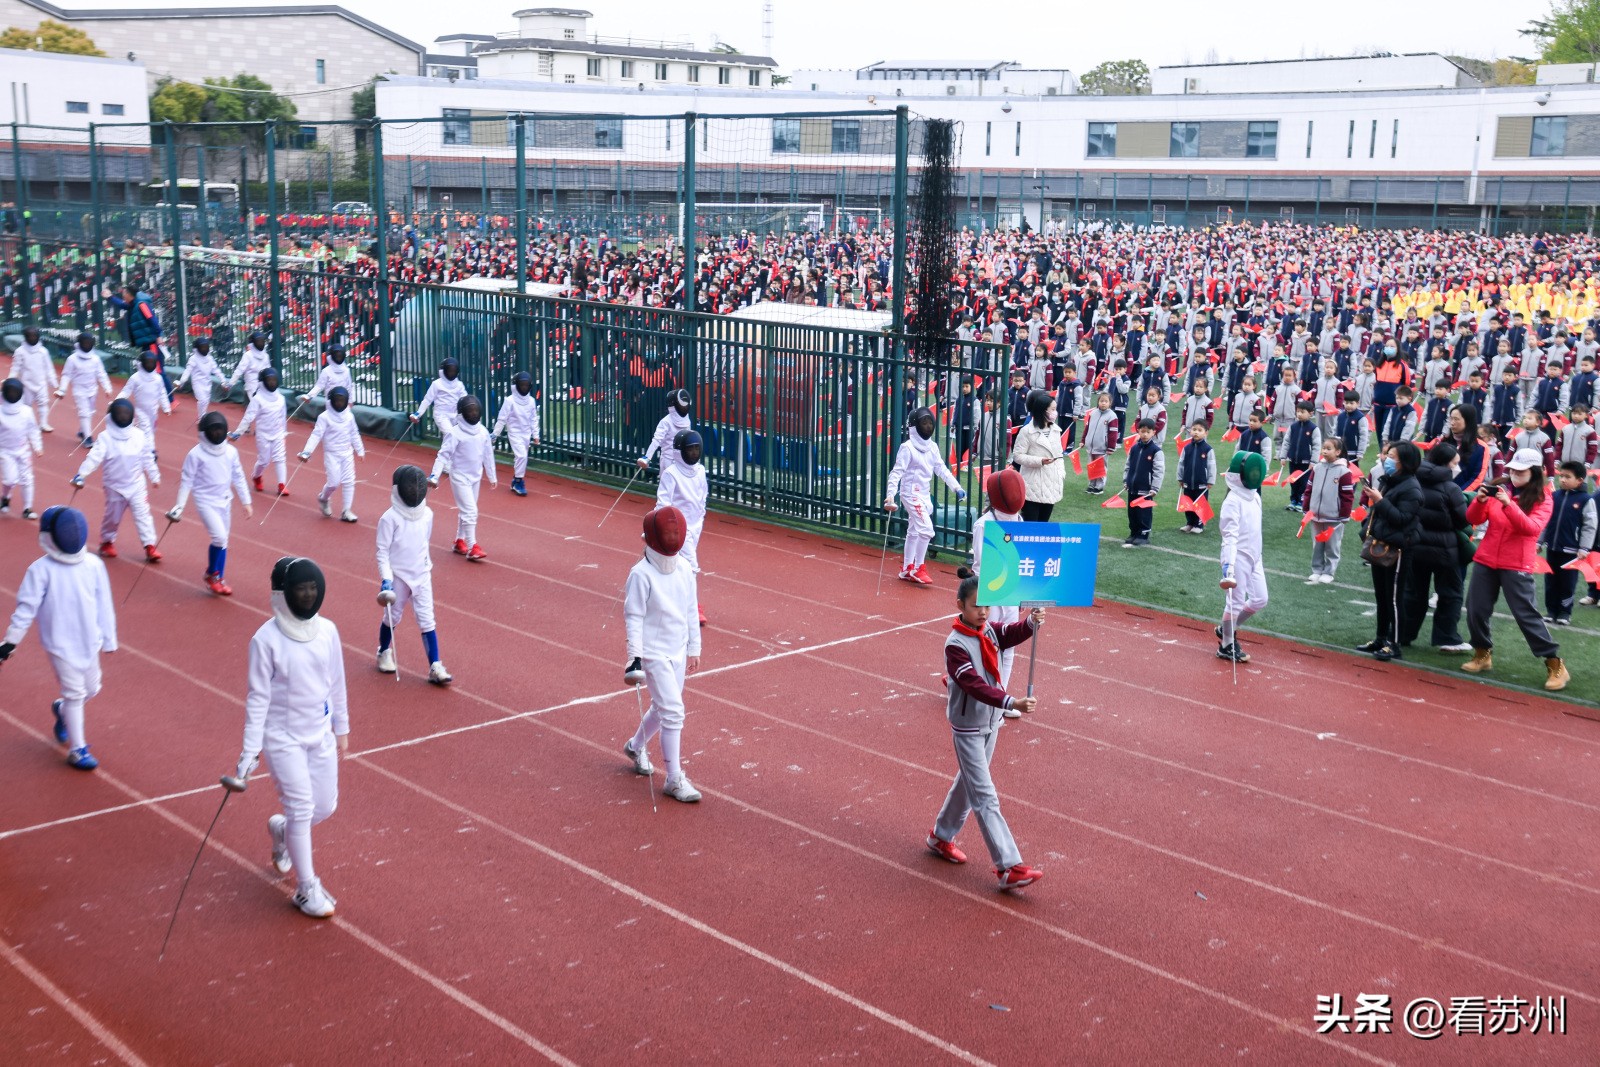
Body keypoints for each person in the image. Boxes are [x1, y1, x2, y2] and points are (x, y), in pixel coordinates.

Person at [234, 557, 349, 918]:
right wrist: (250, 751)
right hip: (282, 738)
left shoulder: (327, 631)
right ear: (284, 594)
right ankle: (306, 888)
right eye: (301, 589)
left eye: (313, 588)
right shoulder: (265, 641)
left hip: (319, 734)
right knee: (301, 807)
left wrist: (341, 727)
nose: (308, 594)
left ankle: (282, 830)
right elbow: (257, 698)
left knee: (324, 807)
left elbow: (336, 682)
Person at [927, 567, 1045, 892]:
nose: (982, 611)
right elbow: (974, 685)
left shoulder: (987, 630)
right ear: (959, 605)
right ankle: (1009, 867)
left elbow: (1007, 634)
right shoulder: (955, 645)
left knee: (968, 786)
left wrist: (1031, 623)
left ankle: (940, 836)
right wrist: (1011, 703)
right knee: (985, 796)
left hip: (990, 724)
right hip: (968, 728)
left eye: (987, 606)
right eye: (976, 605)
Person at [0, 506, 116, 770]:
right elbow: (25, 609)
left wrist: (109, 639)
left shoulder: (93, 564)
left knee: (91, 689)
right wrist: (10, 642)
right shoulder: (40, 570)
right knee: (76, 693)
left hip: (89, 640)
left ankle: (61, 710)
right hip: (59, 644)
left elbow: (104, 603)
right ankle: (78, 750)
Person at [1462, 449, 1568, 689]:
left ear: (1535, 472)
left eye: (1520, 471)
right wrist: (1479, 502)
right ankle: (1482, 653)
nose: (1514, 474)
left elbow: (1531, 528)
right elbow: (1474, 519)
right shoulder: (1499, 488)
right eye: (1512, 469)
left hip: (1516, 563)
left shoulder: (1544, 497)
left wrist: (1509, 505)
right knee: (1476, 609)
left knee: (1526, 615)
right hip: (1487, 558)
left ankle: (1555, 663)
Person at [622, 506, 703, 804]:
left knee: (662, 708)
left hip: (678, 649)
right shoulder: (640, 575)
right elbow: (633, 616)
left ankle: (634, 745)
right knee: (673, 711)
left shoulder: (683, 568)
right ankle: (673, 779)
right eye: (666, 533)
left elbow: (691, 609)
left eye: (674, 533)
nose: (671, 537)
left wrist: (694, 647)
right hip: (653, 653)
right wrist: (635, 658)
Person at [376, 465, 452, 685]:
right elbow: (382, 552)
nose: (415, 490)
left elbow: (424, 542)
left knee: (427, 619)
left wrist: (425, 566)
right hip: (398, 577)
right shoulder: (389, 519)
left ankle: (435, 665)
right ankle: (383, 651)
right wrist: (386, 579)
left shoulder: (427, 514)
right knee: (392, 617)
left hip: (422, 574)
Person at [166, 411, 252, 596]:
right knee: (219, 538)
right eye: (213, 430)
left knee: (223, 541)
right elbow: (186, 481)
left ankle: (218, 577)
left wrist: (246, 501)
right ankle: (212, 575)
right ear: (204, 432)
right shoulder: (195, 454)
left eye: (219, 430)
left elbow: (238, 476)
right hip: (205, 501)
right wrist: (179, 507)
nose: (216, 433)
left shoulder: (230, 452)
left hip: (225, 500)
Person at [1399, 442, 1471, 651]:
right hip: (1444, 550)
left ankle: (1404, 634)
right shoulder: (1451, 489)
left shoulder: (1413, 481)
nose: (1458, 467)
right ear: (1447, 463)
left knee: (1413, 593)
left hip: (1415, 545)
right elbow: (1462, 520)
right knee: (1450, 594)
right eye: (1455, 463)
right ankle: (1447, 637)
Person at [967, 468, 1027, 717]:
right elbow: (981, 565)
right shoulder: (984, 525)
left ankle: (1001, 698)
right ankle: (975, 689)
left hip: (1010, 594)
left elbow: (1022, 559)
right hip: (988, 596)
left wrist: (1021, 592)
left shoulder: (1020, 520)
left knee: (1008, 644)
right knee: (986, 644)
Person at [72, 398, 162, 562]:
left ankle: (150, 545)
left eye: (125, 414)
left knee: (143, 515)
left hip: (136, 485)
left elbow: (147, 458)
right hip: (114, 486)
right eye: (120, 414)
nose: (123, 416)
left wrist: (154, 476)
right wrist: (81, 474)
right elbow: (94, 457)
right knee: (112, 518)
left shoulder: (139, 435)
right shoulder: (105, 437)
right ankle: (107, 542)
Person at [885, 406, 966, 586]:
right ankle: (918, 568)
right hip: (910, 494)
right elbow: (896, 473)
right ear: (914, 426)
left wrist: (956, 487)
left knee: (914, 532)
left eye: (930, 422)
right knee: (927, 530)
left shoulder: (932, 447)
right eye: (924, 423)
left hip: (923, 495)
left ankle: (907, 568)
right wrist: (890, 495)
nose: (928, 426)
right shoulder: (907, 448)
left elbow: (941, 470)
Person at [1357, 440, 1422, 661]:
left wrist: (1380, 500)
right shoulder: (1391, 481)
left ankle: (1394, 644)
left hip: (1399, 549)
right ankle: (1380, 638)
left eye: (1391, 456)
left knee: (1394, 598)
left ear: (1404, 461)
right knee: (1381, 596)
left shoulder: (1412, 488)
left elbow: (1401, 519)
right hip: (1382, 544)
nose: (1386, 459)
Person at [1217, 451, 1267, 664]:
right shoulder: (1232, 501)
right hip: (1237, 558)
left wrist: (1257, 555)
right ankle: (1226, 644)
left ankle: (1226, 628)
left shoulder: (1255, 496)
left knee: (1260, 599)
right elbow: (1230, 536)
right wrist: (1228, 567)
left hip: (1255, 556)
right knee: (1234, 604)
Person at [434, 394, 495, 558]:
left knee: (466, 511)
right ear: (462, 414)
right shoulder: (454, 433)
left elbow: (488, 455)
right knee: (470, 511)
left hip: (476, 476)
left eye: (476, 411)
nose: (473, 414)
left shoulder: (482, 432)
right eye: (470, 411)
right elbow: (443, 455)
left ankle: (459, 541)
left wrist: (492, 475)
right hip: (460, 476)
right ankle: (472, 546)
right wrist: (434, 475)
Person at [657, 429, 709, 624]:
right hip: (679, 527)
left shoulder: (701, 471)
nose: (694, 453)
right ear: (680, 451)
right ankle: (694, 608)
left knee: (678, 566)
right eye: (690, 449)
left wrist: (701, 515)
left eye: (696, 449)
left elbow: (703, 494)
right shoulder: (671, 474)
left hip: (697, 525)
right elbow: (663, 502)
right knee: (692, 566)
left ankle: (667, 599)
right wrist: (656, 526)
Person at [1539, 460, 1596, 627]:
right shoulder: (1553, 496)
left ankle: (1565, 612)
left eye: (1567, 477)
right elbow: (1545, 520)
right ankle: (1551, 610)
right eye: (1561, 476)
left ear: (1579, 480)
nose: (1562, 480)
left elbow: (1589, 526)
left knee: (1567, 582)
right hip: (1553, 548)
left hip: (1571, 551)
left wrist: (1584, 547)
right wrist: (1540, 541)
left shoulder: (1586, 500)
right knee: (1551, 581)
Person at [299, 387, 365, 523]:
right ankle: (323, 498)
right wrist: (307, 451)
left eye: (342, 400)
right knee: (334, 483)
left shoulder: (349, 416)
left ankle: (346, 511)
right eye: (337, 400)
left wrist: (360, 450)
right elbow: (316, 435)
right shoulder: (324, 417)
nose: (340, 403)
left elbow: (354, 433)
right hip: (332, 454)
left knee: (349, 481)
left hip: (347, 453)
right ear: (332, 401)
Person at [1302, 437, 1356, 584]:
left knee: (1332, 545)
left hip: (1334, 517)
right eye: (1323, 448)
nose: (1324, 451)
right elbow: (1309, 489)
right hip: (1315, 516)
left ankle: (1329, 572)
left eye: (1328, 448)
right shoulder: (1317, 468)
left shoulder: (1344, 472)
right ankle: (1317, 570)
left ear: (1338, 452)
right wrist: (1306, 508)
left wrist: (1344, 515)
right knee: (1317, 544)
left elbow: (1347, 496)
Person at [232, 366, 291, 496]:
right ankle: (256, 476)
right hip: (263, 435)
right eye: (269, 380)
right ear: (263, 382)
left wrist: (284, 434)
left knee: (280, 458)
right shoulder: (257, 399)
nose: (272, 383)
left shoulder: (281, 399)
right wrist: (238, 432)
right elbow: (248, 417)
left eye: (274, 380)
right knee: (264, 460)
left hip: (278, 434)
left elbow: (282, 418)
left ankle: (282, 485)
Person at [1010, 388, 1064, 522]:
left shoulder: (1056, 430)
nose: (1055, 413)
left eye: (1055, 409)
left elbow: (1059, 455)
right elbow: (1017, 455)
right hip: (1032, 483)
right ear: (1043, 410)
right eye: (1052, 409)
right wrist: (1039, 461)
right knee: (1030, 524)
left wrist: (1061, 473)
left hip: (1051, 483)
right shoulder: (1027, 431)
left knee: (1044, 524)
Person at [412, 358, 466, 478]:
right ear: (444, 371)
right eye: (449, 370)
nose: (451, 373)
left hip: (455, 415)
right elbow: (427, 399)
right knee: (450, 434)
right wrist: (418, 413)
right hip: (441, 415)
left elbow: (465, 399)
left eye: (454, 370)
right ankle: (446, 464)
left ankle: (452, 462)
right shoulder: (437, 384)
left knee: (454, 438)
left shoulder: (459, 385)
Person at [57, 333, 113, 444]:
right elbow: (66, 375)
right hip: (79, 390)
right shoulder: (72, 359)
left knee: (90, 412)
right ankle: (88, 437)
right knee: (84, 412)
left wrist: (107, 387)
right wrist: (62, 390)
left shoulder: (95, 359)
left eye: (89, 343)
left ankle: (82, 431)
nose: (87, 345)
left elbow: (101, 374)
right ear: (79, 344)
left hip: (92, 390)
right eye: (85, 343)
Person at [1, 377, 44, 519]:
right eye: (10, 391)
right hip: (5, 452)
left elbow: (33, 430)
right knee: (10, 480)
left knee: (27, 479)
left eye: (15, 391)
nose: (13, 394)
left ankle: (27, 508)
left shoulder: (26, 411)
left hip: (23, 450)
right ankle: (5, 497)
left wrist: (37, 446)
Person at [492, 371, 540, 496]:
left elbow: (533, 418)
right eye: (521, 385)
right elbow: (502, 418)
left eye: (526, 385)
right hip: (514, 432)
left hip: (526, 434)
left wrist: (536, 435)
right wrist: (495, 434)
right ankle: (519, 481)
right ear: (516, 385)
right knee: (521, 456)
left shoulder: (531, 401)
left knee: (521, 458)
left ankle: (515, 480)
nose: (524, 387)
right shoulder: (510, 401)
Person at [1122, 417, 1164, 547]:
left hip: (1146, 490)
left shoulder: (1156, 451)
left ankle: (1143, 534)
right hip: (1133, 487)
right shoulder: (1134, 448)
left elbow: (1159, 471)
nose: (1145, 434)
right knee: (1132, 512)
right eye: (1142, 431)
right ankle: (1134, 532)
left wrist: (1155, 488)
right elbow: (1127, 466)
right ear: (1138, 431)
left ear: (1153, 432)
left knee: (1144, 513)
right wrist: (1126, 480)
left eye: (1148, 432)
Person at [116, 350, 172, 446]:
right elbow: (126, 391)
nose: (150, 364)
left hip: (153, 411)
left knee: (150, 430)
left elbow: (162, 393)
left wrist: (166, 407)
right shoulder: (135, 378)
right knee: (147, 432)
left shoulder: (158, 378)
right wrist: (118, 400)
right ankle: (151, 451)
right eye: (147, 362)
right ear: (142, 363)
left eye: (152, 362)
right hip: (140, 411)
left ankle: (134, 445)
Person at [8, 325, 58, 432]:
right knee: (26, 406)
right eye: (30, 336)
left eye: (34, 336)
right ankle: (26, 424)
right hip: (26, 384)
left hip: (41, 383)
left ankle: (43, 424)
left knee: (43, 403)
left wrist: (54, 383)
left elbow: (49, 368)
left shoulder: (43, 351)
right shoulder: (20, 351)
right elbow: (15, 367)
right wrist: (10, 380)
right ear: (25, 337)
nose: (32, 338)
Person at [639, 387, 692, 473]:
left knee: (667, 486)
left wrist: (647, 457)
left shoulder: (666, 421)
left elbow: (656, 440)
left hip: (671, 461)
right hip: (680, 461)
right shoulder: (686, 421)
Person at [1177, 421, 1216, 534]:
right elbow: (1181, 463)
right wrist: (1180, 478)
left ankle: (1199, 524)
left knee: (1200, 503)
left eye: (1200, 430)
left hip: (1202, 483)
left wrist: (1210, 480)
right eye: (1194, 429)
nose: (1196, 432)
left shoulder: (1208, 449)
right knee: (1188, 503)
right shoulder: (1187, 448)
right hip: (1188, 482)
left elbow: (1211, 466)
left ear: (1206, 433)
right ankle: (1190, 523)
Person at [173, 338, 221, 422]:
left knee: (206, 401)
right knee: (202, 400)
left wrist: (223, 380)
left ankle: (202, 415)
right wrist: (181, 381)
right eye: (202, 347)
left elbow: (216, 370)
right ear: (197, 349)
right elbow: (187, 371)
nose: (205, 349)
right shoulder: (193, 359)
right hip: (197, 383)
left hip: (207, 382)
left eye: (206, 347)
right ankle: (201, 418)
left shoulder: (209, 358)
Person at [1082, 391, 1119, 495]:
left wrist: (1111, 447)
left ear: (1110, 403)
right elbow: (1087, 428)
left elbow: (1113, 433)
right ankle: (1091, 484)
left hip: (1102, 448)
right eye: (1101, 401)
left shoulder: (1112, 416)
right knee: (1091, 466)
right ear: (1098, 402)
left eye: (1106, 401)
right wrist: (1083, 440)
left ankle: (1099, 486)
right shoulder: (1093, 413)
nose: (1103, 403)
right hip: (1090, 447)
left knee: (1100, 467)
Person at [226, 331, 273, 400]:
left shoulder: (266, 356)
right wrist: (231, 383)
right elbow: (239, 370)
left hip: (264, 384)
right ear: (253, 343)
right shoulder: (248, 355)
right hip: (251, 385)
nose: (261, 343)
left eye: (262, 341)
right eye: (258, 341)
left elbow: (269, 371)